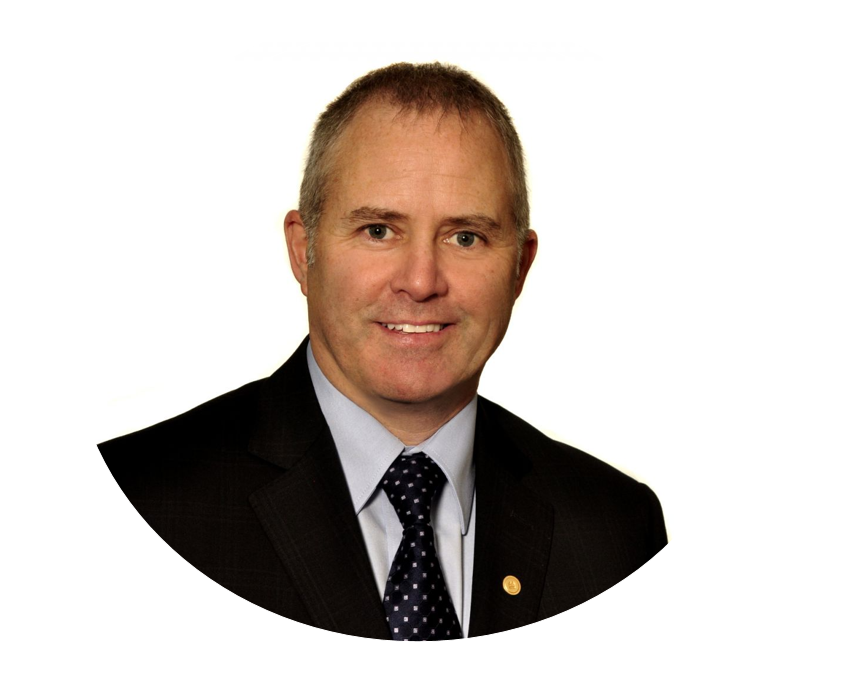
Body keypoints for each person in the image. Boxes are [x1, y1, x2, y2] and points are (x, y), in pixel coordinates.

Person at [99, 62, 667, 640]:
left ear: (520, 266)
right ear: (303, 251)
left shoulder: (617, 532)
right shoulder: (131, 501)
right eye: (378, 230)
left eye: (465, 237)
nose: (420, 282)